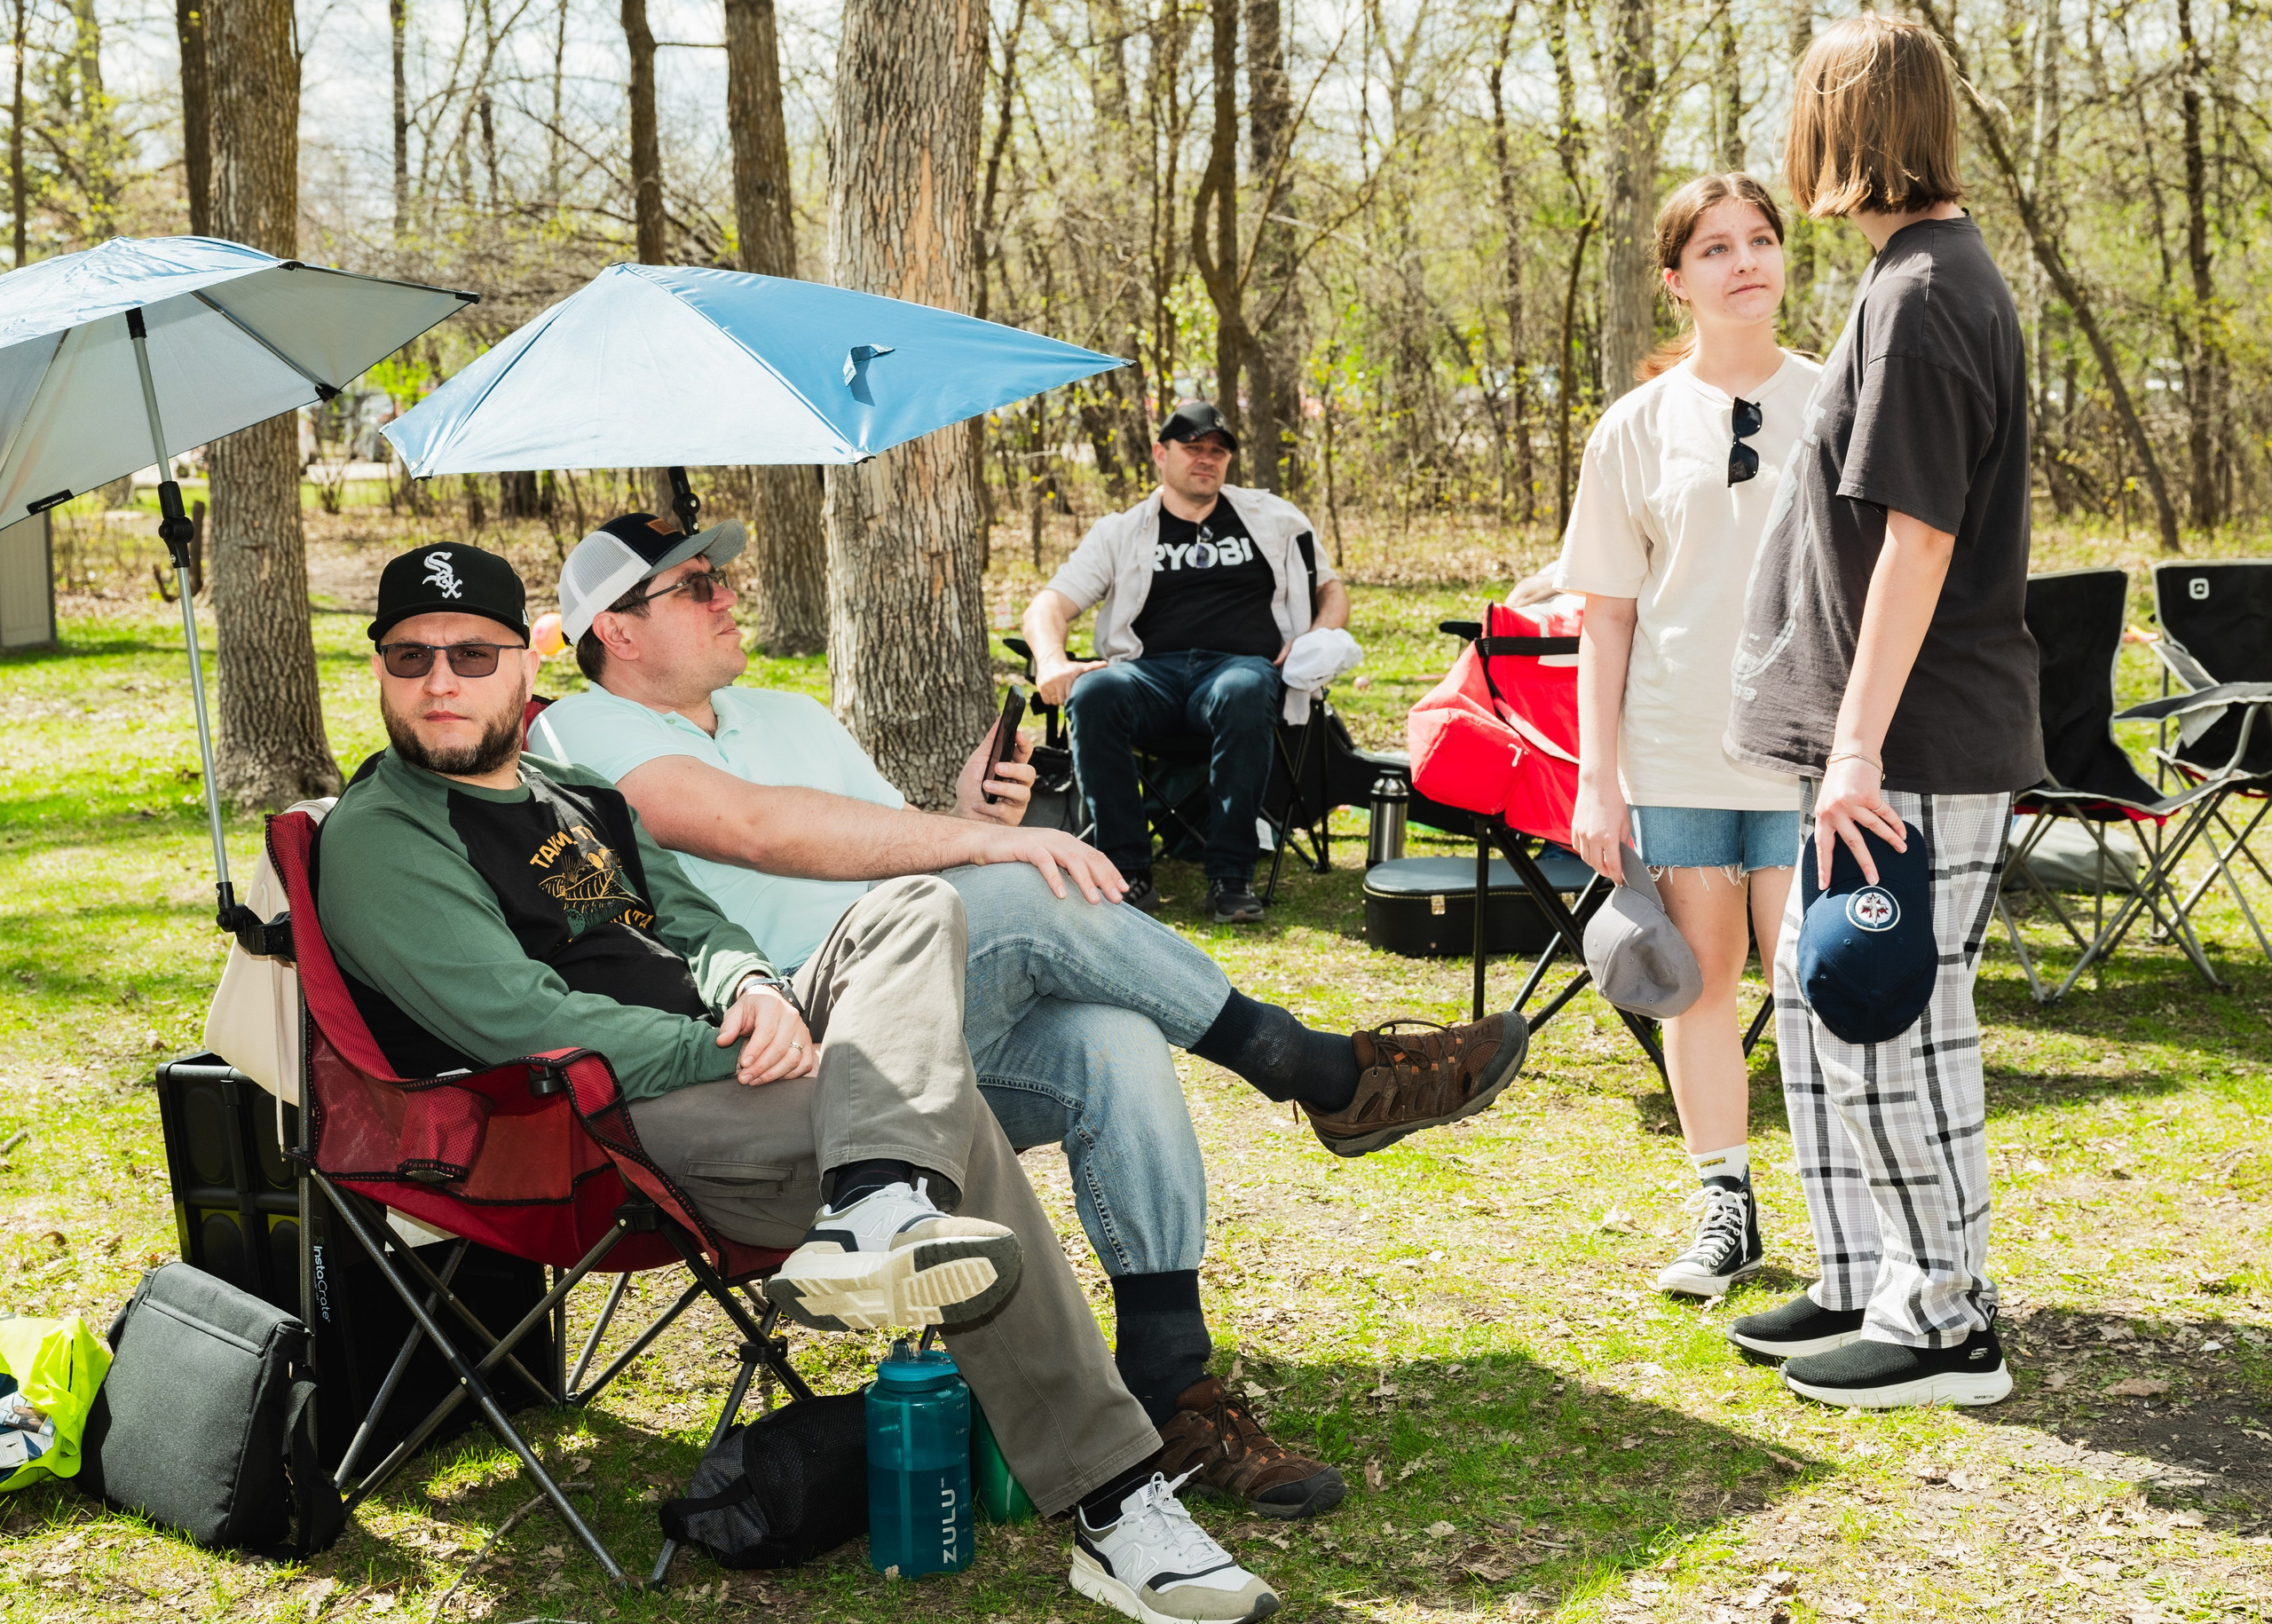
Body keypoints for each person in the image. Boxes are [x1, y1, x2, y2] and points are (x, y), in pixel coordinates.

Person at [319, 542, 1284, 1624]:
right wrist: (737, 1044)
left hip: (752, 1053)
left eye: (470, 653)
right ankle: (1115, 1498)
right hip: (629, 1125)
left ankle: (874, 1199)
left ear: (519, 663)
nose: (439, 681)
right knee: (943, 1117)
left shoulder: (571, 791)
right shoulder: (383, 838)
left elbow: (696, 923)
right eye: (409, 657)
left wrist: (760, 993)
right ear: (379, 672)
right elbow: (533, 1028)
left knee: (916, 907)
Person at [532, 510, 1526, 1516]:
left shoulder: (790, 717)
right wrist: (982, 854)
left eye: (720, 578)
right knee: (1019, 887)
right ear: (616, 630)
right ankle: (1320, 1072)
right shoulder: (577, 734)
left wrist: (971, 819)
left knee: (1112, 1038)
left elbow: (904, 857)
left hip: (919, 1021)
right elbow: (748, 827)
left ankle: (1169, 1380)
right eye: (696, 586)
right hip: (793, 1037)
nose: (728, 595)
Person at [1722, 15, 2039, 1409]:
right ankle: (1863, 1267)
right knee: (1816, 997)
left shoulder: (1923, 295)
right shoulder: (1907, 278)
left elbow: (1919, 540)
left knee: (1899, 1017)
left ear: (1846, 128)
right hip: (1866, 736)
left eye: (1806, 115)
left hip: (1909, 739)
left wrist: (1856, 747)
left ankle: (1948, 1321)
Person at [1558, 173, 1813, 1299]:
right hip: (1673, 747)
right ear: (1675, 280)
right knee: (1702, 983)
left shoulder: (1837, 398)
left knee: (1812, 985)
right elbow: (1606, 616)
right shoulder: (1634, 427)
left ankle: (1853, 1225)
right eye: (1715, 248)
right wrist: (1596, 782)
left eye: (1760, 240)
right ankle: (1725, 1206)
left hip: (1812, 753)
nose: (1744, 260)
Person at [1022, 400, 1351, 925]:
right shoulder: (1121, 531)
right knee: (1094, 691)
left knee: (1245, 687)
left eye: (1217, 452)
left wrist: (1318, 634)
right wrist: (1050, 660)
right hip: (1148, 674)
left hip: (1237, 671)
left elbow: (1330, 589)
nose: (1207, 460)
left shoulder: (1275, 519)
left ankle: (1231, 876)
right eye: (1193, 448)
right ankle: (1125, 872)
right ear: (1160, 453)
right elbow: (1049, 604)